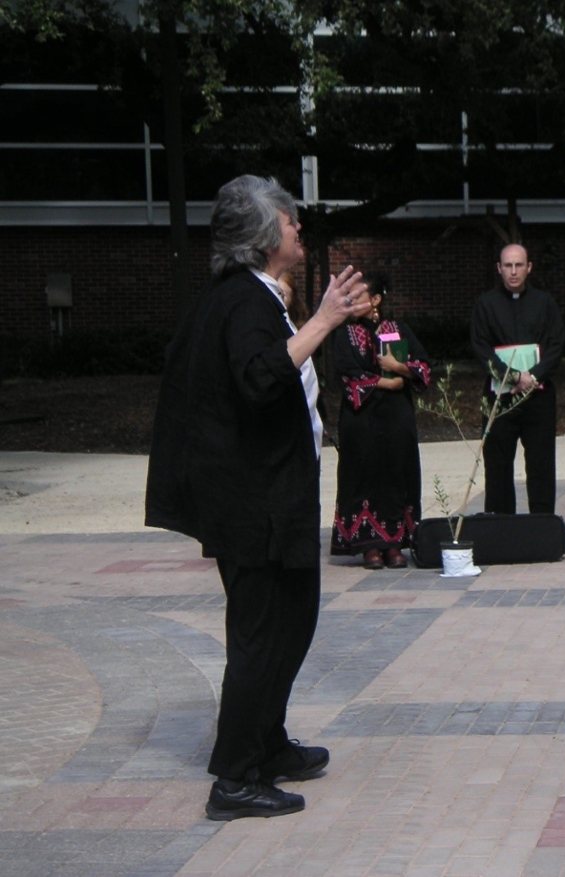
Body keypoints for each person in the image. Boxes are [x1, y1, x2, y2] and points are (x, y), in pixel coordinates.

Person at [145, 175, 370, 820]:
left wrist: (315, 317)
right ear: (267, 234)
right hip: (253, 505)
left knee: (292, 622)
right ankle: (235, 776)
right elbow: (259, 377)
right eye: (291, 220)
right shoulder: (244, 300)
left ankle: (267, 744)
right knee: (261, 636)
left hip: (269, 498)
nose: (300, 228)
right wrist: (324, 321)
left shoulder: (252, 296)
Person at [331, 272, 431, 570]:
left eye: (358, 298)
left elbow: (423, 364)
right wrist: (384, 382)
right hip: (361, 420)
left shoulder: (399, 329)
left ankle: (394, 543)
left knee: (396, 473)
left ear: (376, 300)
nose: (352, 304)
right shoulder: (344, 334)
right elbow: (346, 373)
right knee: (364, 474)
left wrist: (399, 367)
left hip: (396, 418)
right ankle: (368, 546)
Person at [469, 242, 565, 515]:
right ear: (499, 269)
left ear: (529, 268)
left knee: (541, 463)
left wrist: (532, 376)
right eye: (508, 266)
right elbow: (480, 347)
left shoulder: (544, 303)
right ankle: (501, 528)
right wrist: (512, 377)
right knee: (498, 465)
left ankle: (542, 525)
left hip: (539, 395)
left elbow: (556, 345)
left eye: (519, 265)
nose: (513, 271)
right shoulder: (485, 304)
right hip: (500, 398)